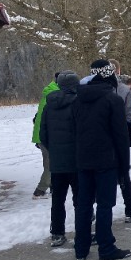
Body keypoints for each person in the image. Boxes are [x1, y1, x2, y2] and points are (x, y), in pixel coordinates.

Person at [73, 59, 131, 260]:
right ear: (110, 76)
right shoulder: (112, 100)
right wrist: (124, 165)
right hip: (106, 161)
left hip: (83, 160)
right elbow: (120, 137)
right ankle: (106, 248)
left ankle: (80, 248)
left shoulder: (78, 99)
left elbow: (75, 131)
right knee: (105, 205)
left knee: (84, 204)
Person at [39, 71, 80, 248]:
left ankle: (57, 233)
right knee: (81, 199)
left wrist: (54, 150)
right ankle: (83, 232)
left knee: (58, 200)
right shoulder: (79, 104)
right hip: (77, 161)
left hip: (57, 161)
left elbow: (43, 134)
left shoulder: (49, 105)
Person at [109, 59, 131, 223]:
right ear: (118, 71)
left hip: (99, 140)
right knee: (123, 174)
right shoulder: (124, 90)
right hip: (119, 136)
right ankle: (129, 208)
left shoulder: (87, 88)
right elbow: (129, 116)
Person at [31, 74, 60, 199]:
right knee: (50, 164)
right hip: (46, 136)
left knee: (51, 162)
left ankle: (54, 186)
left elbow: (37, 116)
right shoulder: (55, 94)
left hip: (42, 134)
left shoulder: (50, 91)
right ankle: (40, 190)